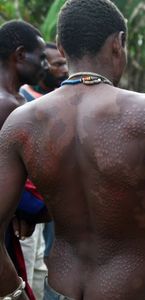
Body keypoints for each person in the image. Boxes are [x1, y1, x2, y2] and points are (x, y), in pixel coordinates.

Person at [0, 1, 145, 300]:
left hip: (59, 289)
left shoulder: (21, 122)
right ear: (118, 43)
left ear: (61, 47)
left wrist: (14, 294)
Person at [0, 20, 48, 300]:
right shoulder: (9, 106)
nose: (45, 64)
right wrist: (35, 210)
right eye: (40, 57)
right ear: (19, 55)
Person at [18, 42, 68, 300]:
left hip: (50, 196)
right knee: (28, 258)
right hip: (29, 201)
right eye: (55, 63)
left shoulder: (65, 97)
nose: (63, 69)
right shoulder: (21, 100)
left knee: (44, 257)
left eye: (64, 62)